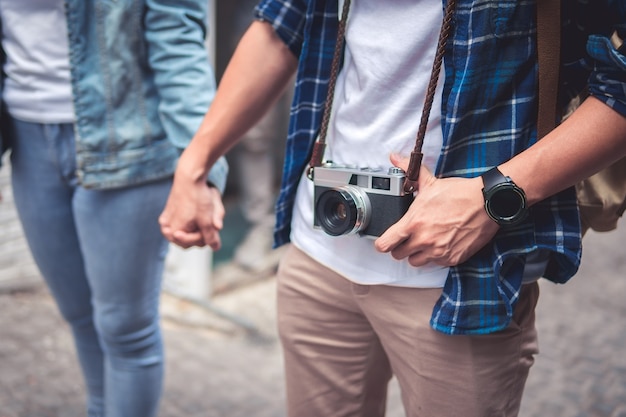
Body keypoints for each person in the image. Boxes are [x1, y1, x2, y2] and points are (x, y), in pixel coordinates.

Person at [159, 1, 626, 416]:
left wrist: (493, 196)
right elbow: (280, 26)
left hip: (461, 274)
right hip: (318, 253)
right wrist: (195, 163)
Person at [0, 1, 227, 416]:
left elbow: (176, 37)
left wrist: (200, 168)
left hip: (128, 140)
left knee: (126, 331)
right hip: (27, 142)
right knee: (80, 317)